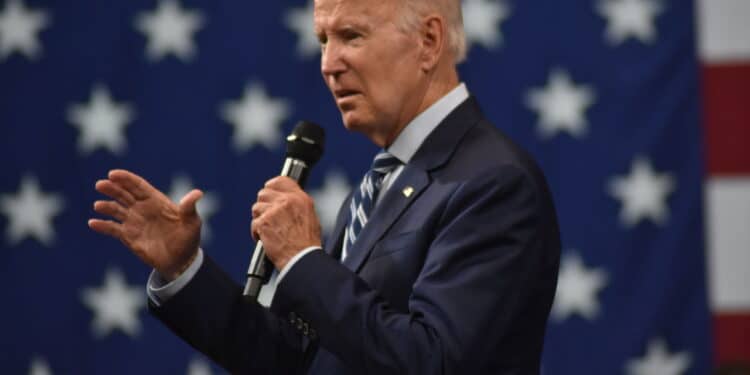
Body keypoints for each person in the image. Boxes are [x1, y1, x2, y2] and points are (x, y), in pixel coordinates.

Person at [89, 0, 561, 373]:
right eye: (322, 40)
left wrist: (302, 261)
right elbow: (306, 360)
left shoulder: (493, 183)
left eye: (351, 35)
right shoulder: (388, 181)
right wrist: (183, 268)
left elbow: (430, 361)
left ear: (428, 40)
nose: (328, 64)